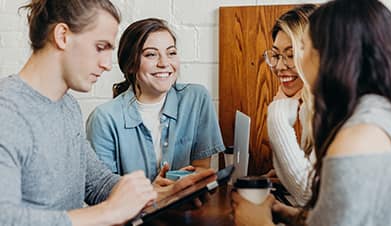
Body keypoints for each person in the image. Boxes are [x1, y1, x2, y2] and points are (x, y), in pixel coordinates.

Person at [0, 1, 214, 225]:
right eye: (100, 47)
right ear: (62, 36)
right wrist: (108, 212)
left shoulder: (67, 107)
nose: (107, 64)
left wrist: (160, 196)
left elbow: (96, 183)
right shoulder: (7, 111)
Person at [232, 0, 391, 225]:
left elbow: (309, 194)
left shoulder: (358, 136)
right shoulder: (376, 113)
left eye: (303, 47)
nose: (297, 60)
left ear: (333, 55)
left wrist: (257, 222)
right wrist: (291, 215)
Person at [86, 18, 225, 181]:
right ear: (131, 65)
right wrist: (156, 193)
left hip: (188, 205)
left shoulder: (196, 99)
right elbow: (102, 190)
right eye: (151, 54)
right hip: (134, 207)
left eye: (171, 53)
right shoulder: (104, 119)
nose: (164, 63)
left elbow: (201, 170)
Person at [264, 4, 316, 206]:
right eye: (276, 55)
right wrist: (286, 178)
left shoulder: (335, 109)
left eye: (291, 54)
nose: (279, 66)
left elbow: (308, 195)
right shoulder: (308, 108)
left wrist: (277, 114)